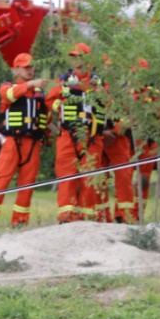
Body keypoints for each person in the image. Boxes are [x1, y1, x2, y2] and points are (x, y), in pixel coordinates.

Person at [0, 53, 50, 226]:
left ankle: (19, 222)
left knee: (27, 184)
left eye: (31, 67)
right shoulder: (8, 87)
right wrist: (30, 84)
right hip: (12, 142)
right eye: (25, 67)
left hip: (32, 143)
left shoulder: (40, 94)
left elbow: (46, 117)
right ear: (16, 69)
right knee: (2, 179)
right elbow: (9, 96)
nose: (29, 70)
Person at [47, 43, 104, 222]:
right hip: (68, 134)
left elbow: (109, 104)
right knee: (67, 175)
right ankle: (66, 218)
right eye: (73, 56)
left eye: (79, 56)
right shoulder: (64, 80)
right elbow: (50, 100)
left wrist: (101, 93)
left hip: (91, 136)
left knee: (89, 178)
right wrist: (60, 107)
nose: (76, 60)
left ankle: (88, 219)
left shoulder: (97, 82)